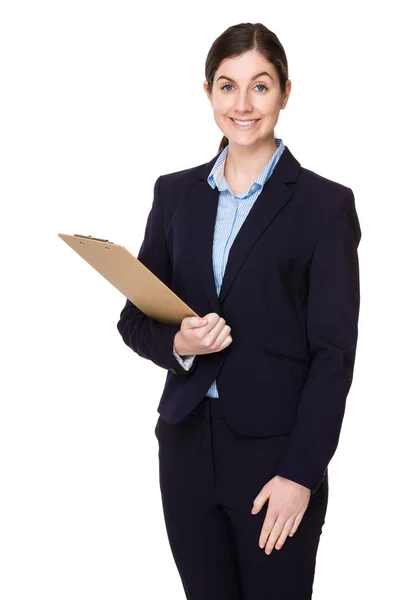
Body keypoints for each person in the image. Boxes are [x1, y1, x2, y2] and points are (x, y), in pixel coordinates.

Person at [116, 21, 361, 600]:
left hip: (275, 453)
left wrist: (301, 473)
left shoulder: (325, 206)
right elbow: (134, 320)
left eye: (260, 85)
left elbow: (334, 356)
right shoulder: (174, 194)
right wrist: (180, 344)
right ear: (208, 92)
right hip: (184, 446)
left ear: (284, 92)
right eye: (227, 86)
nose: (243, 104)